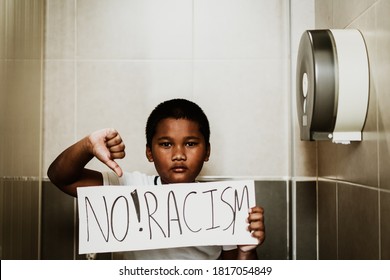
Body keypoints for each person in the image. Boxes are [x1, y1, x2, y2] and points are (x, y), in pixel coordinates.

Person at [48, 98, 265, 260]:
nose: (178, 154)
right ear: (149, 153)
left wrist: (247, 250)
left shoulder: (224, 204)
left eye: (190, 143)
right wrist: (88, 145)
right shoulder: (129, 188)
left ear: (207, 152)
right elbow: (61, 177)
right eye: (166, 144)